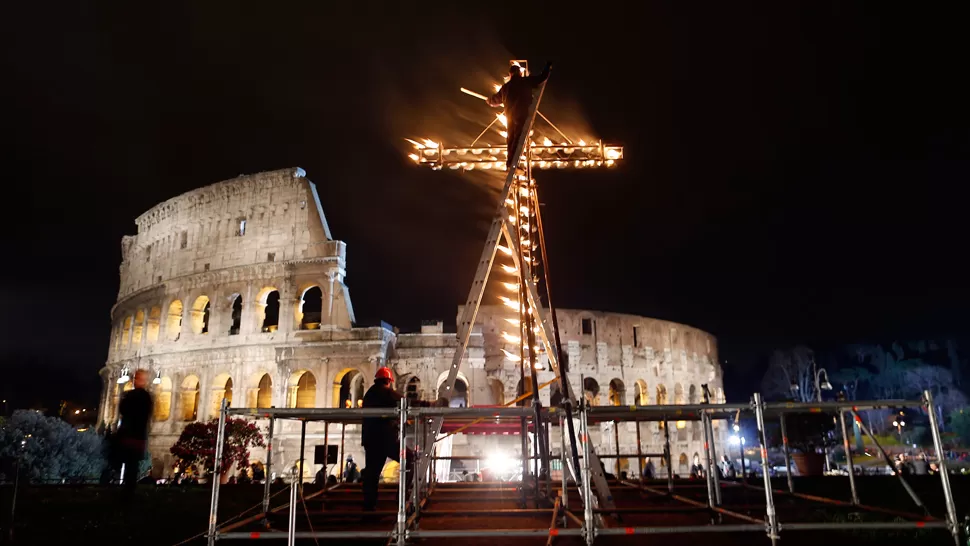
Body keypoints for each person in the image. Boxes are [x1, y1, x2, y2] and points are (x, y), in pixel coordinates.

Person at [361, 367, 445, 512]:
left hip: (371, 440)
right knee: (410, 458)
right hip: (385, 439)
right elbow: (405, 402)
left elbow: (387, 413)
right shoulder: (385, 392)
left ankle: (369, 507)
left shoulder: (370, 394)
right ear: (388, 381)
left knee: (372, 474)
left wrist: (401, 421)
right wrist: (429, 404)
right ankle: (402, 495)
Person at [487, 61, 553, 169]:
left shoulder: (505, 87)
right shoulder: (525, 81)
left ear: (510, 74)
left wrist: (488, 100)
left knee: (511, 140)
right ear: (520, 73)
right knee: (518, 139)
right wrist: (547, 68)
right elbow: (541, 78)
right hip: (521, 114)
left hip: (510, 116)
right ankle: (514, 164)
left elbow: (495, 100)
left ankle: (509, 163)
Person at [116, 369, 153, 494]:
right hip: (138, 435)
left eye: (137, 378)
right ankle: (129, 490)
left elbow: (123, 409)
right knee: (132, 465)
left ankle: (127, 492)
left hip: (130, 434)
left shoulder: (132, 396)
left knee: (129, 464)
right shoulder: (146, 397)